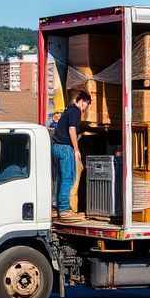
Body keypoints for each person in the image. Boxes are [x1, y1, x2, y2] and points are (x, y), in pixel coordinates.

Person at [52, 91, 91, 222]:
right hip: (65, 148)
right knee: (68, 178)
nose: (86, 108)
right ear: (83, 101)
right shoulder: (75, 111)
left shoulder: (68, 110)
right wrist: (76, 149)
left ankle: (58, 208)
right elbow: (72, 129)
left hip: (56, 147)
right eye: (87, 105)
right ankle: (64, 210)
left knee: (62, 179)